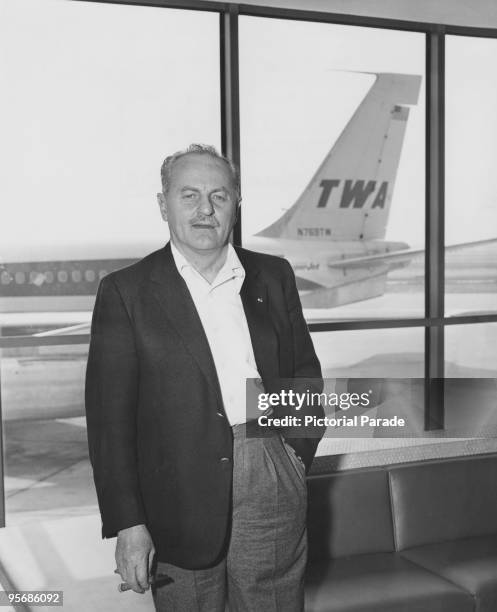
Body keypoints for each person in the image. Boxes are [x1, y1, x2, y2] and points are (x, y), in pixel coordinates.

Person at [85, 144, 324, 611]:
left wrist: (293, 454)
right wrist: (128, 524)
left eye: (219, 196)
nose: (205, 210)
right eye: (189, 195)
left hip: (268, 469)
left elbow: (304, 377)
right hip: (173, 493)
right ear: (163, 205)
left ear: (236, 203)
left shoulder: (273, 276)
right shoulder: (126, 292)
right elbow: (109, 425)